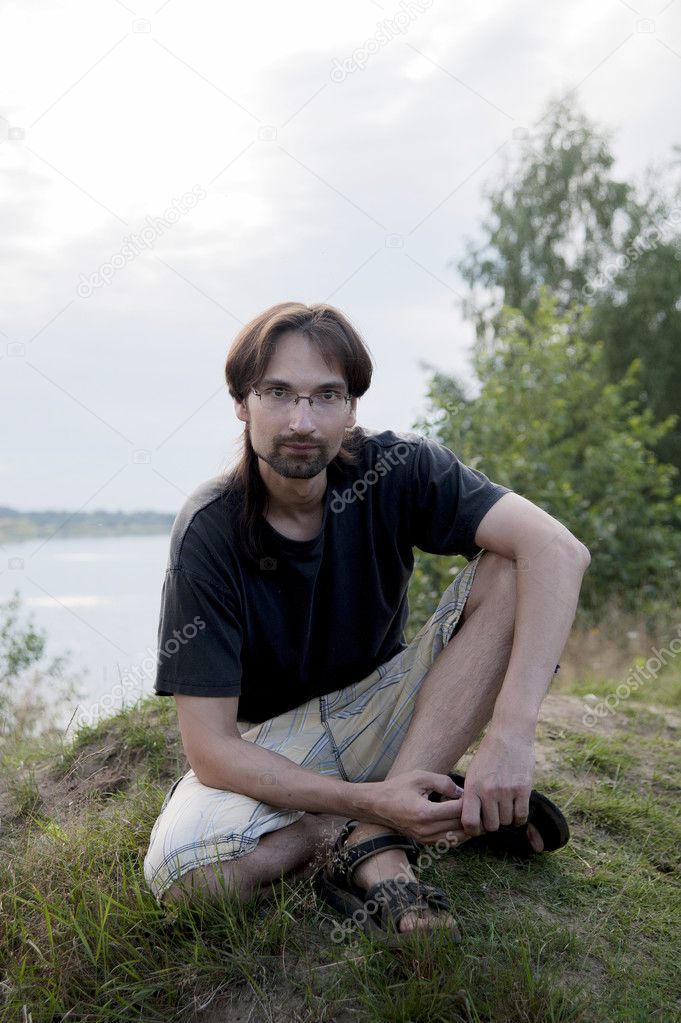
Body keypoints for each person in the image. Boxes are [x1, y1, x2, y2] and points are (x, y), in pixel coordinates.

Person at [143, 301, 590, 940]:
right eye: (279, 393)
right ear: (243, 402)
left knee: (516, 563)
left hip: (394, 708)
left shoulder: (400, 468)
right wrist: (362, 801)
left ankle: (388, 830)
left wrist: (511, 735)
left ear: (352, 409)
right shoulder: (209, 528)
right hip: (278, 743)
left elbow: (560, 550)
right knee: (189, 884)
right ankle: (398, 814)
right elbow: (212, 750)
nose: (302, 420)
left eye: (327, 396)